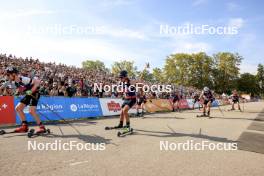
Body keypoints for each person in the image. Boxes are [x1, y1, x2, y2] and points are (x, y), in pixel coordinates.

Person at [5, 67, 47, 133]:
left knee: (31, 111)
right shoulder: (15, 82)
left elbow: (37, 82)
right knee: (18, 108)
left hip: (35, 93)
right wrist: (17, 92)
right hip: (28, 94)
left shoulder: (23, 79)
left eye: (8, 74)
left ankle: (42, 127)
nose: (7, 76)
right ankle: (24, 126)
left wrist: (31, 91)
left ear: (13, 74)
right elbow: (22, 89)